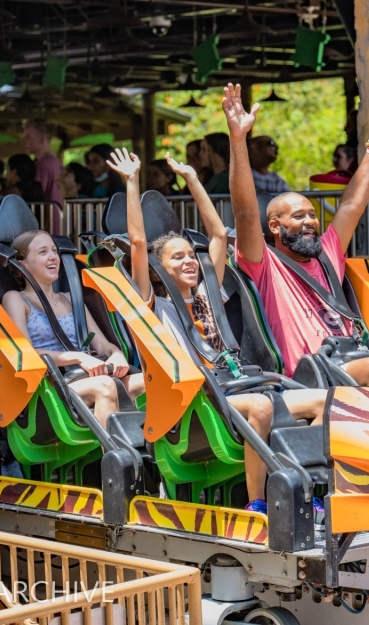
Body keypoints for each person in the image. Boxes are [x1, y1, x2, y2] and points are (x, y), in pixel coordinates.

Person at [106, 147, 325, 514]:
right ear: (159, 270)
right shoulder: (153, 305)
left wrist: (193, 179)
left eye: (191, 255)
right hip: (193, 408)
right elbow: (139, 244)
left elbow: (218, 237)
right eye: (178, 258)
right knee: (259, 407)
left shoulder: (208, 293)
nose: (191, 261)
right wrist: (132, 183)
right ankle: (258, 503)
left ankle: (312, 491)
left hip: (236, 387)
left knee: (323, 401)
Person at [227, 84, 369, 405]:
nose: (310, 222)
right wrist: (238, 140)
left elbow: (351, 205)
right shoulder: (263, 264)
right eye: (298, 216)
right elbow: (246, 213)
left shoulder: (326, 256)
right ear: (275, 226)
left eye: (312, 214)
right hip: (308, 377)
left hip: (353, 357)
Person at [2, 229, 143, 428]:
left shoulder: (71, 299)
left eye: (54, 251)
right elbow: (25, 354)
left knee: (151, 383)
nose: (53, 257)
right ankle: (117, 456)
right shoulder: (16, 298)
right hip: (51, 385)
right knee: (105, 387)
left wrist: (117, 354)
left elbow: (102, 345)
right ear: (22, 263)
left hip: (91, 375)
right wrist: (79, 357)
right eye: (43, 252)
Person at [22, 120, 65, 205]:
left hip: (46, 215)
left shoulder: (43, 164)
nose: (24, 142)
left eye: (28, 137)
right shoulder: (56, 161)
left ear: (41, 140)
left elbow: (36, 196)